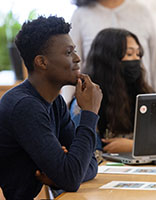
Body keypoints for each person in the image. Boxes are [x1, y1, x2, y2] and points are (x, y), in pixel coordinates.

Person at [0, 16, 102, 199]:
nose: (77, 58)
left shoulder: (55, 102)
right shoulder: (24, 106)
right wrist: (90, 112)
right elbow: (71, 177)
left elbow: (90, 165)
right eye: (69, 52)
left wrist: (64, 174)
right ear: (42, 62)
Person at [61, 0, 156, 106]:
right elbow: (72, 65)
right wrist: (68, 105)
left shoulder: (142, 12)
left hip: (139, 101)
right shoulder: (81, 15)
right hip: (98, 105)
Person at [70, 28, 154, 153]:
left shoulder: (143, 93)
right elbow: (87, 152)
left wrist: (134, 147)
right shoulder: (87, 99)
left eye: (138, 54)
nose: (136, 60)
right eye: (129, 54)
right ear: (109, 60)